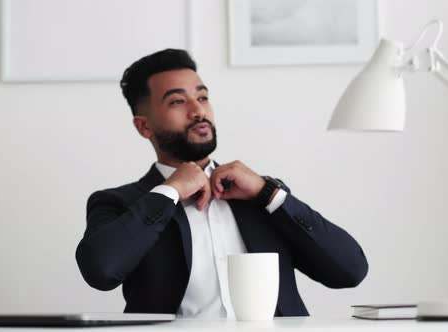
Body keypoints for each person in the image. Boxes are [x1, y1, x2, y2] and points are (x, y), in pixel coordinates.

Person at [75, 49, 368, 318]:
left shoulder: (259, 196)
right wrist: (169, 192)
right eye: (178, 101)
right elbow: (101, 270)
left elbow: (350, 271)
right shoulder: (118, 203)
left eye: (202, 97)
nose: (197, 111)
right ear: (144, 126)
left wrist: (270, 194)